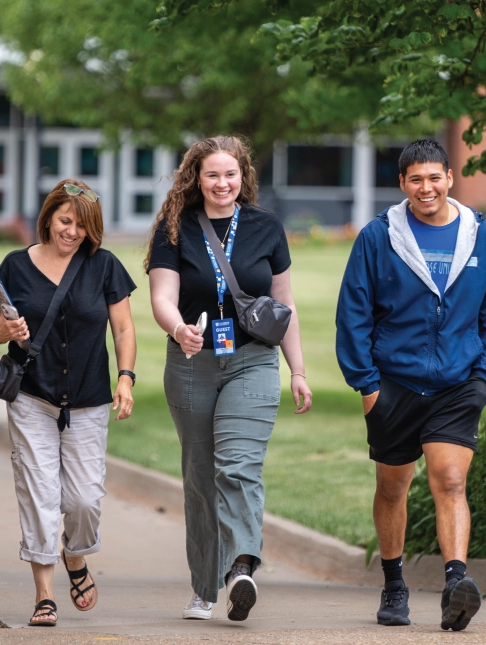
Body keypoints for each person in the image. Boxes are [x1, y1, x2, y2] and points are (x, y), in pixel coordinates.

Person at [336, 140, 486, 631]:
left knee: (451, 481)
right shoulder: (378, 238)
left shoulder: (485, 239)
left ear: (450, 178)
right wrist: (367, 386)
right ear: (402, 185)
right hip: (393, 383)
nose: (426, 187)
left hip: (458, 383)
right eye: (416, 179)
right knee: (393, 488)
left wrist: (483, 375)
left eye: (434, 177)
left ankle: (456, 583)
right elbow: (353, 314)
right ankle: (394, 584)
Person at [146, 135, 312, 622]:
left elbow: (284, 305)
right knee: (200, 475)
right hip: (191, 362)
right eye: (212, 174)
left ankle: (241, 567)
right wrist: (178, 328)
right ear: (196, 178)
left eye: (231, 174)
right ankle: (203, 587)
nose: (223, 183)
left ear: (244, 177)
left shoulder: (265, 227)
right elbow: (162, 295)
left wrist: (297, 369)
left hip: (253, 360)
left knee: (238, 466)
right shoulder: (174, 228)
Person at [0, 179, 137, 627]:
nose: (72, 232)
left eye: (82, 226)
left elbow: (124, 330)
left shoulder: (104, 266)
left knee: (84, 501)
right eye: (65, 221)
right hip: (32, 395)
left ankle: (76, 555)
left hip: (89, 398)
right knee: (39, 494)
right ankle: (44, 595)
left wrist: (125, 378)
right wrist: (6, 333)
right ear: (49, 216)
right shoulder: (15, 265)